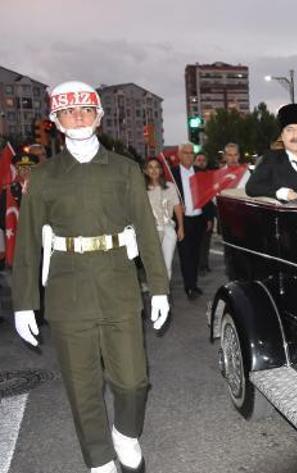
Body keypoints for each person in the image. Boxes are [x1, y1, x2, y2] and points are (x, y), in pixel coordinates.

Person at [11, 80, 169, 473]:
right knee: (82, 386)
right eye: (67, 112)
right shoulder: (44, 176)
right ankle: (98, 459)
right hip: (68, 288)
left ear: (98, 117)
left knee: (133, 381)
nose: (77, 118)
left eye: (85, 111)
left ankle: (126, 431)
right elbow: (28, 241)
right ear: (57, 122)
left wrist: (161, 289)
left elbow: (147, 233)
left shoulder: (125, 170)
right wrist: (24, 303)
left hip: (117, 281)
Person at [246, 104, 297, 205]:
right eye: (289, 130)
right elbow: (252, 187)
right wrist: (284, 193)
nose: (295, 136)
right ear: (282, 136)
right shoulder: (271, 159)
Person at [171, 143, 214, 299]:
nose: (189, 156)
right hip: (183, 220)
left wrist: (209, 217)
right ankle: (189, 286)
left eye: (191, 153)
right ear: (179, 155)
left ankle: (194, 284)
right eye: (186, 153)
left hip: (199, 219)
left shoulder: (200, 172)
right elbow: (167, 196)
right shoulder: (172, 174)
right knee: (185, 254)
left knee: (196, 254)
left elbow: (208, 196)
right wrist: (175, 206)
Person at [144, 157, 184, 279]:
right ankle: (155, 293)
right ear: (145, 170)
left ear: (161, 170)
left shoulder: (170, 186)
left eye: (156, 167)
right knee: (153, 265)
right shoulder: (141, 188)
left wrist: (181, 227)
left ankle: (164, 293)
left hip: (168, 230)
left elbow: (177, 207)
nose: (154, 170)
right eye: (150, 167)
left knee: (167, 265)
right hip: (149, 231)